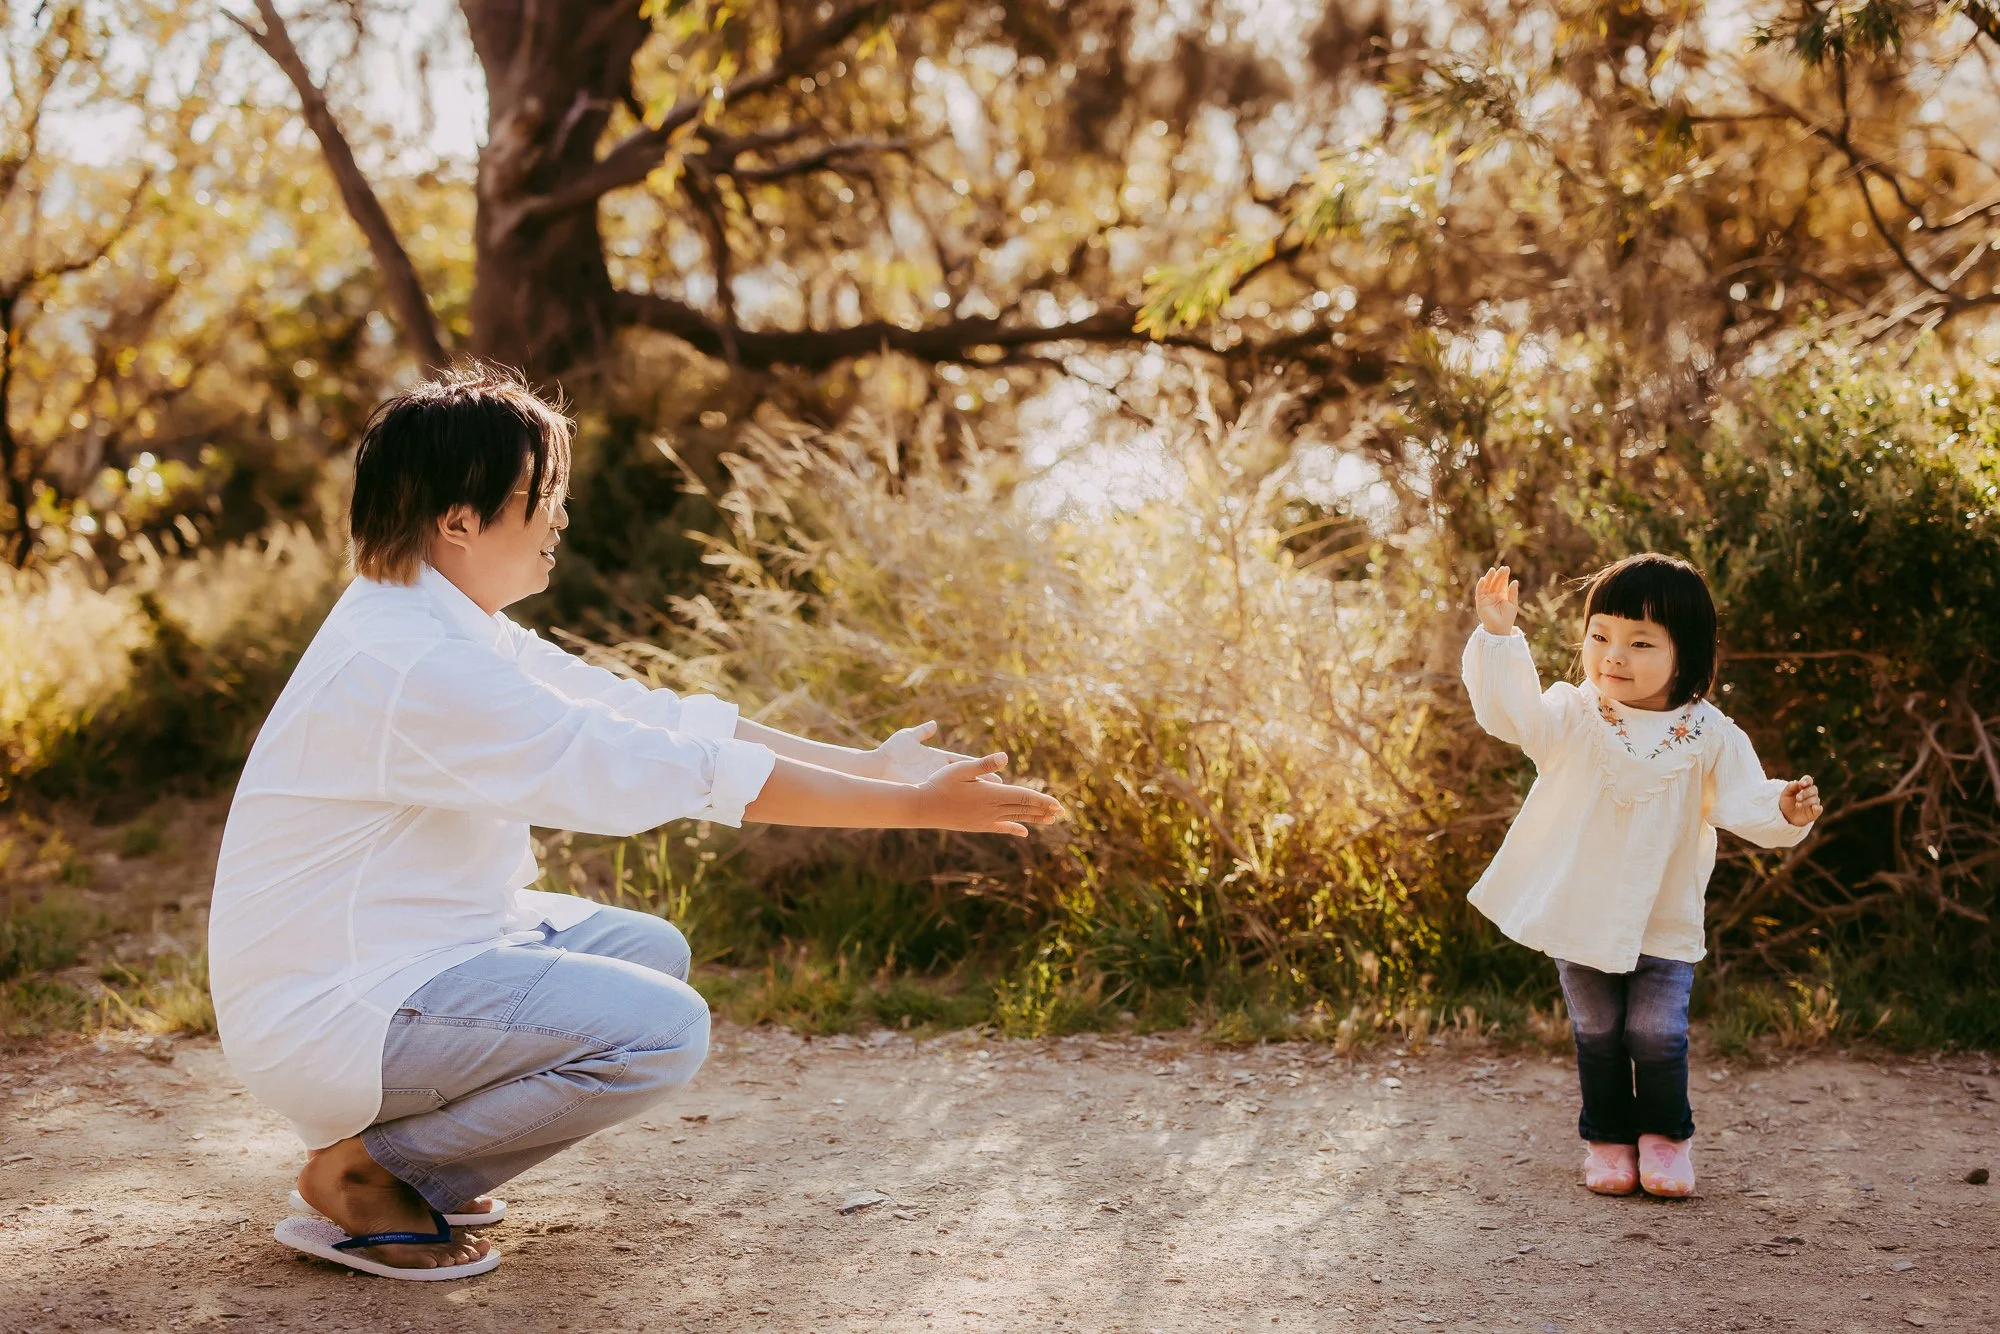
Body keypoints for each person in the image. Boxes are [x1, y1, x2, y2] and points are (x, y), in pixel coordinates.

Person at [208, 363, 1064, 1280]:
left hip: (389, 958)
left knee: (647, 954)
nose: (561, 518)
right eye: (543, 495)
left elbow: (647, 715)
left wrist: (868, 766)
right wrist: (909, 810)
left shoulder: (440, 620)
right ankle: (371, 1172)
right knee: (661, 1029)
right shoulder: (416, 661)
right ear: (458, 520)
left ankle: (408, 1150)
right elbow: (658, 767)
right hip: (335, 1004)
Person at [1461, 553, 1820, 1198]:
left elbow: (1743, 801)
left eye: (1640, 642)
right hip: (1580, 909)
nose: (1613, 657)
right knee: (1597, 1031)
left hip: (1664, 913)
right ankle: (1606, 1140)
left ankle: (1665, 1139)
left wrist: (1784, 809)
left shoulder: (1709, 732)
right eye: (1600, 635)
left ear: (1685, 653)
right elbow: (1513, 715)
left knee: (1656, 1032)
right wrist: (1497, 636)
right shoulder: (1574, 712)